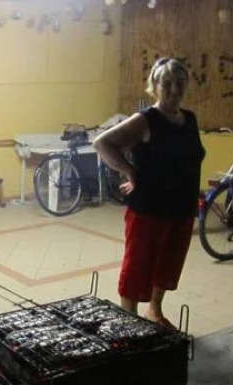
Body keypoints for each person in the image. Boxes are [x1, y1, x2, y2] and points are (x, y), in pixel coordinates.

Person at [93, 58, 205, 328]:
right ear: (154, 87)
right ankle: (130, 321)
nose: (174, 89)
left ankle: (154, 310)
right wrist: (130, 171)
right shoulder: (145, 120)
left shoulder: (189, 119)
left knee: (167, 265)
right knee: (138, 268)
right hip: (149, 210)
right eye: (167, 83)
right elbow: (103, 143)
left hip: (181, 208)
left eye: (180, 83)